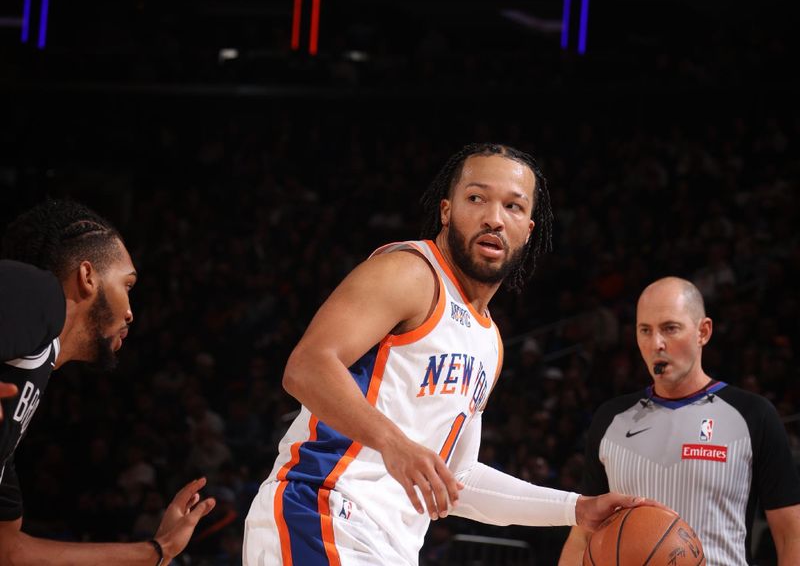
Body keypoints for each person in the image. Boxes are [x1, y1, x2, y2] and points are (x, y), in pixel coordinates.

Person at [244, 143, 656, 566]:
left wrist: (575, 508)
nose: (494, 218)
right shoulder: (410, 273)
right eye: (476, 198)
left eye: (513, 207)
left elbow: (456, 480)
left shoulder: (489, 342)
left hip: (388, 546)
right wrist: (394, 444)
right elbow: (307, 367)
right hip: (319, 512)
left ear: (528, 230)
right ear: (446, 210)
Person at [0, 199, 216, 565]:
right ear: (87, 276)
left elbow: (9, 551)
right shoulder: (36, 293)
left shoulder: (25, 383)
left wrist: (158, 551)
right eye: (127, 285)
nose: (131, 311)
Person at [558, 277, 800, 565]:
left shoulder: (753, 415)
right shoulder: (610, 419)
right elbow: (582, 536)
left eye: (670, 328)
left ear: (703, 332)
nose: (656, 343)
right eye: (644, 330)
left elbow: (791, 536)